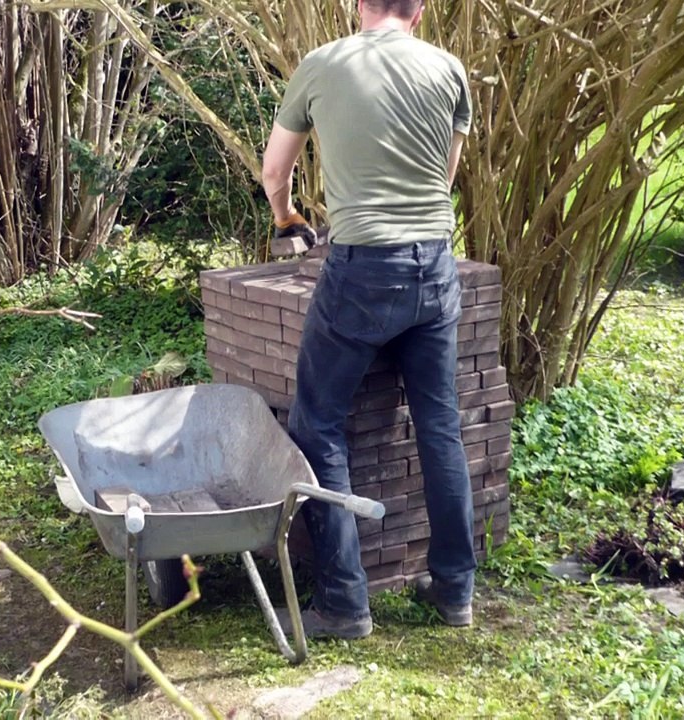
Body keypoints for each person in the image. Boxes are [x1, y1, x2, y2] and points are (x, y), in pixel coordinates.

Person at [260, 0, 475, 638]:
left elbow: (274, 170)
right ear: (420, 11)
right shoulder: (448, 69)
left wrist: (286, 217)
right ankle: (455, 591)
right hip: (434, 264)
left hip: (361, 272)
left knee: (316, 421)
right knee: (440, 425)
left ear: (359, 5)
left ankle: (345, 603)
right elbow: (445, 175)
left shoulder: (323, 64)